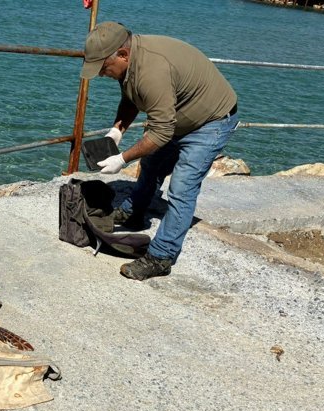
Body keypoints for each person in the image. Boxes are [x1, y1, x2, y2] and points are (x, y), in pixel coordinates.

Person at [81, 22, 238, 280]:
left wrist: (123, 158)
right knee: (152, 164)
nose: (100, 74)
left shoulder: (152, 70)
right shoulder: (130, 63)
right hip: (178, 117)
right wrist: (116, 131)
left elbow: (162, 132)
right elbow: (132, 97)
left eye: (102, 67)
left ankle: (161, 257)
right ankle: (134, 211)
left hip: (211, 122)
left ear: (122, 54)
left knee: (182, 189)